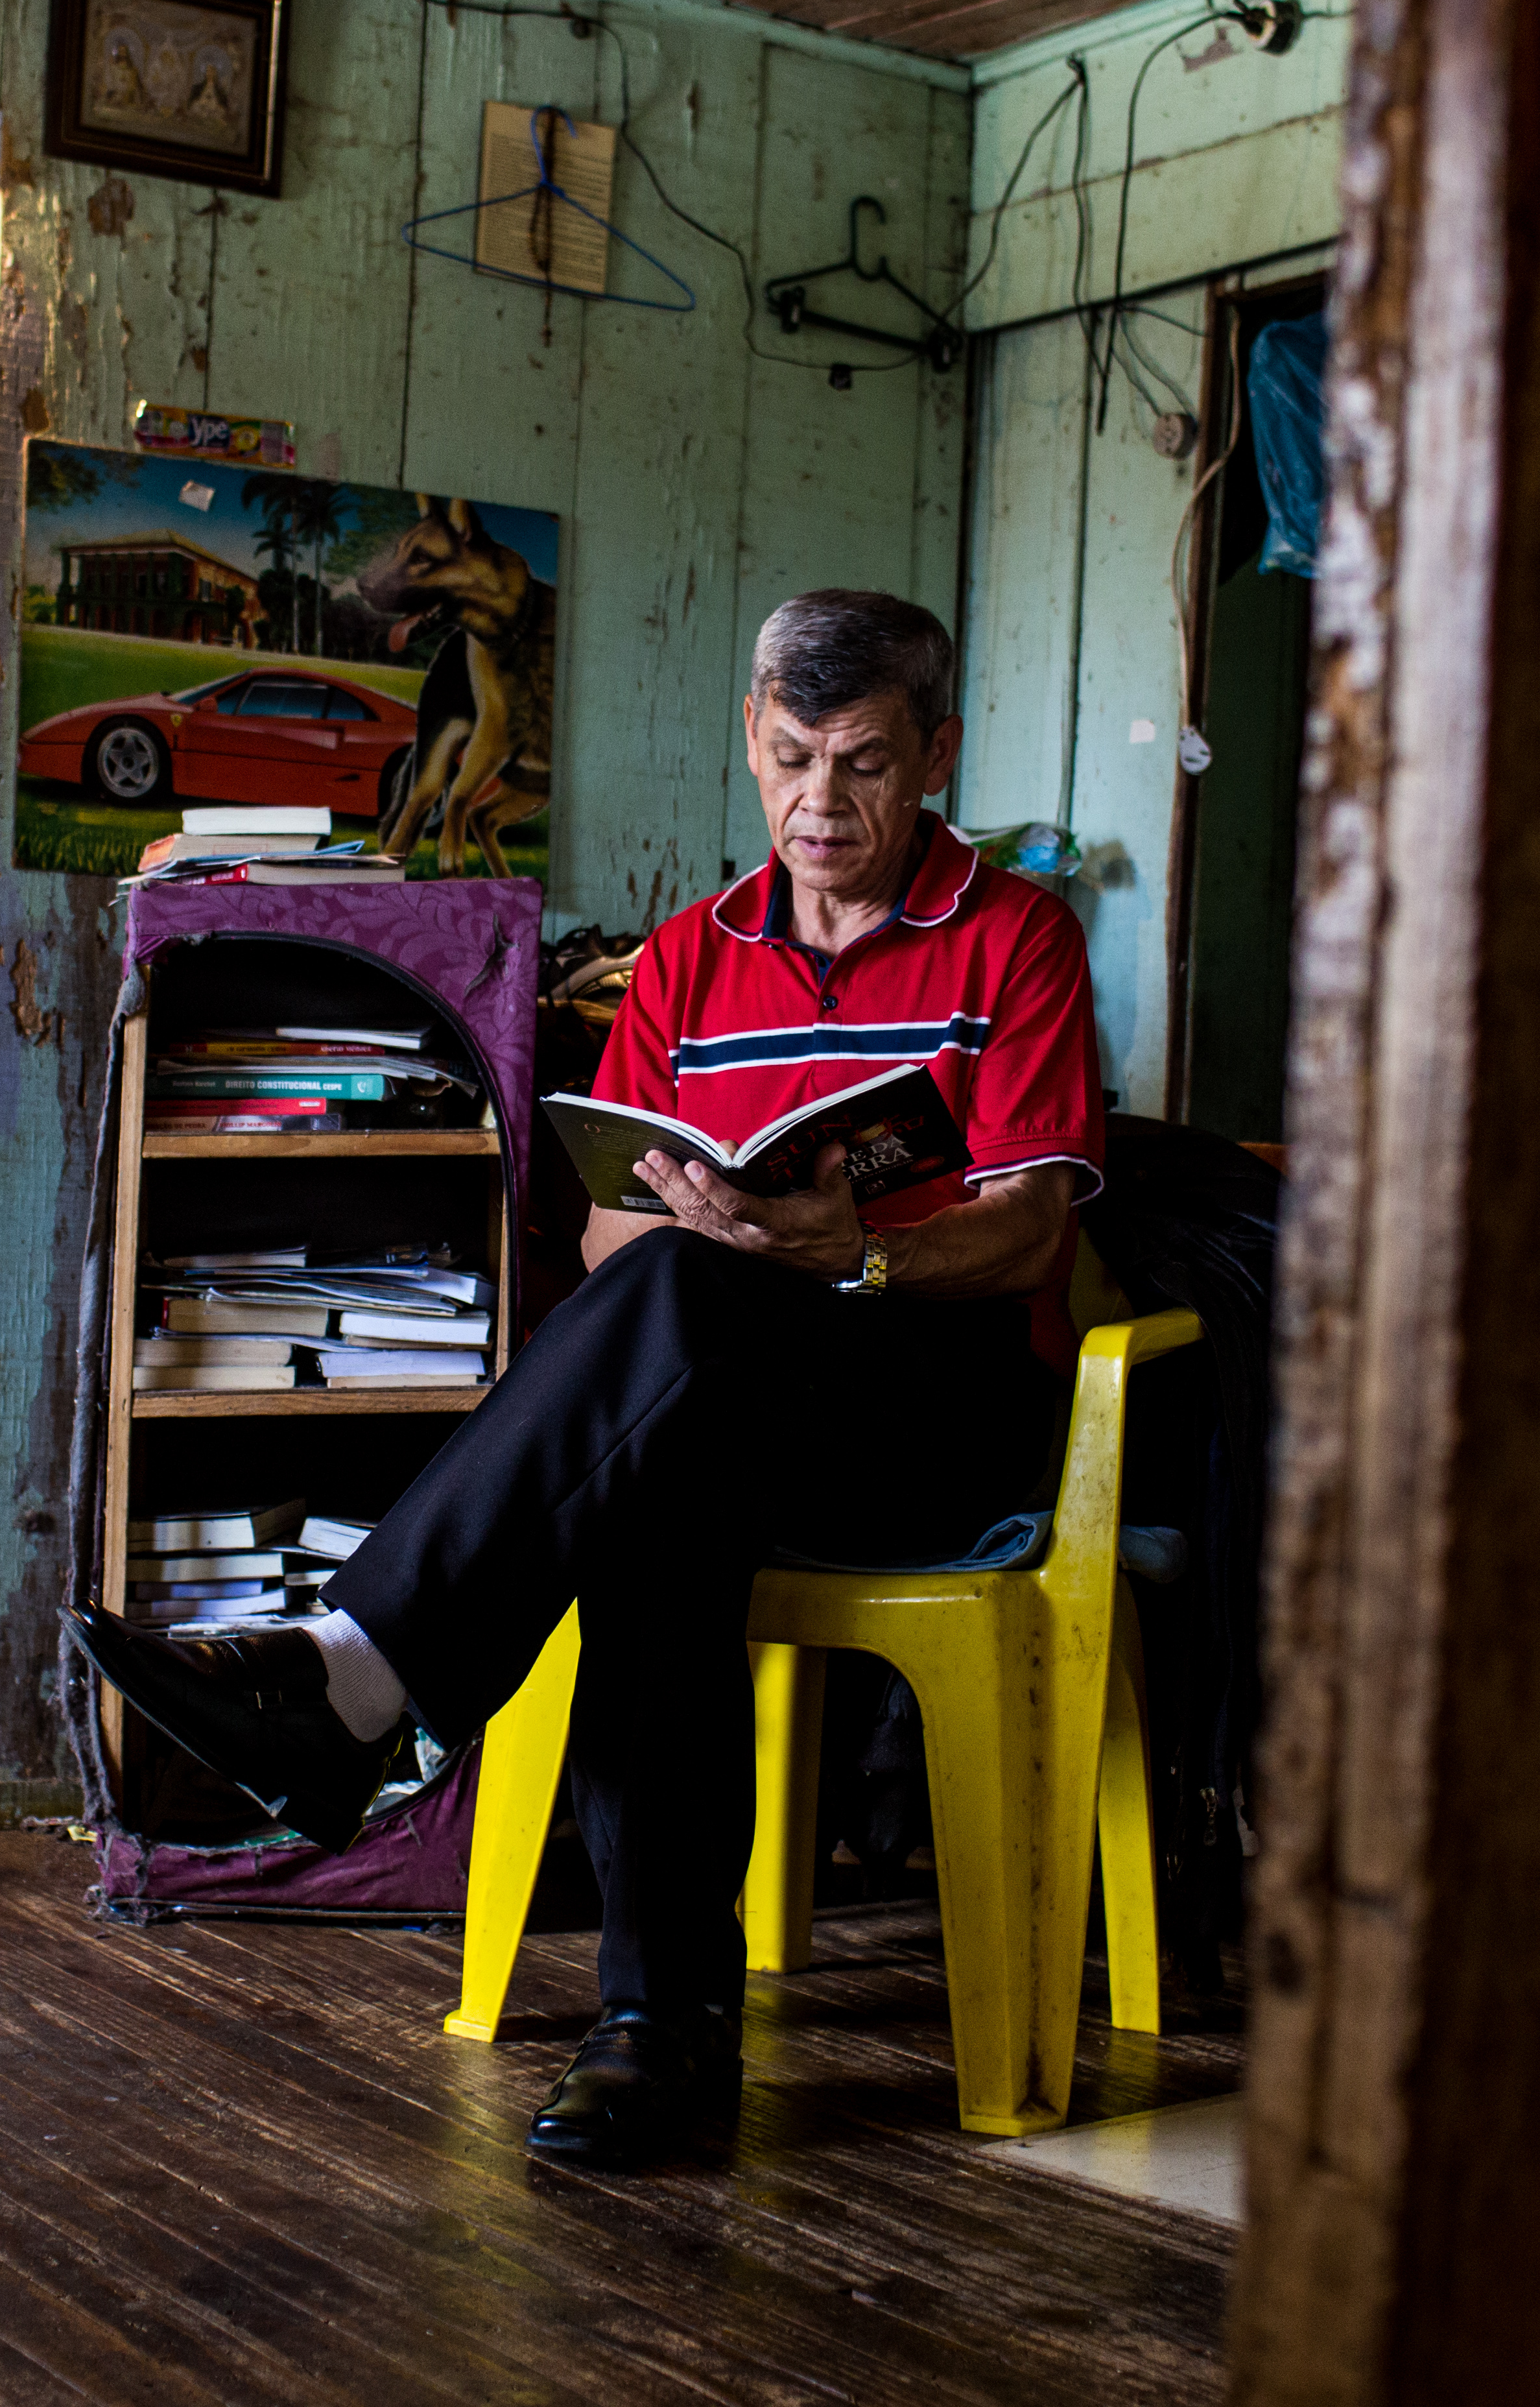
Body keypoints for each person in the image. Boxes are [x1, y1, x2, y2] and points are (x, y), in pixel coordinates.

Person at [76, 590, 1105, 2168]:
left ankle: (366, 1679)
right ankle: (654, 2032)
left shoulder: (1019, 936)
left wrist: (851, 1251)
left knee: (676, 1381)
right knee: (661, 1471)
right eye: (790, 761)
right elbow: (622, 1220)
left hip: (933, 1410)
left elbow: (1032, 1231)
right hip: (734, 1393)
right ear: (750, 752)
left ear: (937, 755)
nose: (822, 805)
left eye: (867, 765)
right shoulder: (691, 956)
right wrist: (721, 1231)